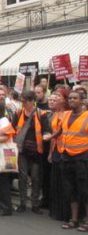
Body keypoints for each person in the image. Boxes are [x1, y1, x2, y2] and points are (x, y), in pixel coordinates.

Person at [54, 90, 88, 231]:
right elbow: (61, 130)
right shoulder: (66, 114)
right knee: (70, 190)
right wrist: (51, 136)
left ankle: (86, 221)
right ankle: (73, 219)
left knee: (84, 191)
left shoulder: (86, 117)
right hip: (67, 157)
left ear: (82, 101)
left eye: (75, 98)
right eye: (70, 98)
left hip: (82, 158)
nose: (71, 100)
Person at [12, 90, 48, 214]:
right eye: (22, 101)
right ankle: (22, 203)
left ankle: (35, 204)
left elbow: (46, 130)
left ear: (32, 101)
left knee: (36, 178)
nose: (23, 104)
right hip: (22, 151)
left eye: (25, 101)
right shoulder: (18, 113)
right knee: (22, 177)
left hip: (36, 151)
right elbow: (12, 129)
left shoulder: (41, 114)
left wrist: (47, 136)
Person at [45, 89, 70, 222]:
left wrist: (50, 138)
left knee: (64, 181)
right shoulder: (55, 114)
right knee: (55, 180)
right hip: (55, 149)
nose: (56, 97)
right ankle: (56, 210)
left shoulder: (67, 114)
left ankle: (65, 212)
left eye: (59, 96)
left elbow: (59, 132)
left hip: (65, 150)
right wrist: (50, 152)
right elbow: (53, 135)